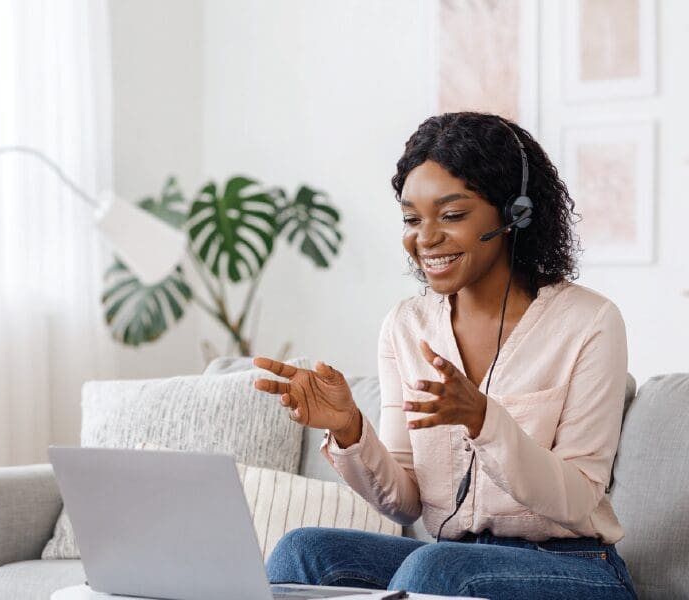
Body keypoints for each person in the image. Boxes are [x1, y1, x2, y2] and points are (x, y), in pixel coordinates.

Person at [252, 112, 638, 599]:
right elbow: (406, 502)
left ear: (513, 213)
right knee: (301, 552)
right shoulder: (405, 326)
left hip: (574, 568)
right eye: (413, 219)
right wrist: (349, 429)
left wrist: (485, 421)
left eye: (452, 215)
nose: (425, 238)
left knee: (434, 571)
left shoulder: (590, 321)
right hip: (451, 560)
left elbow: (581, 497)